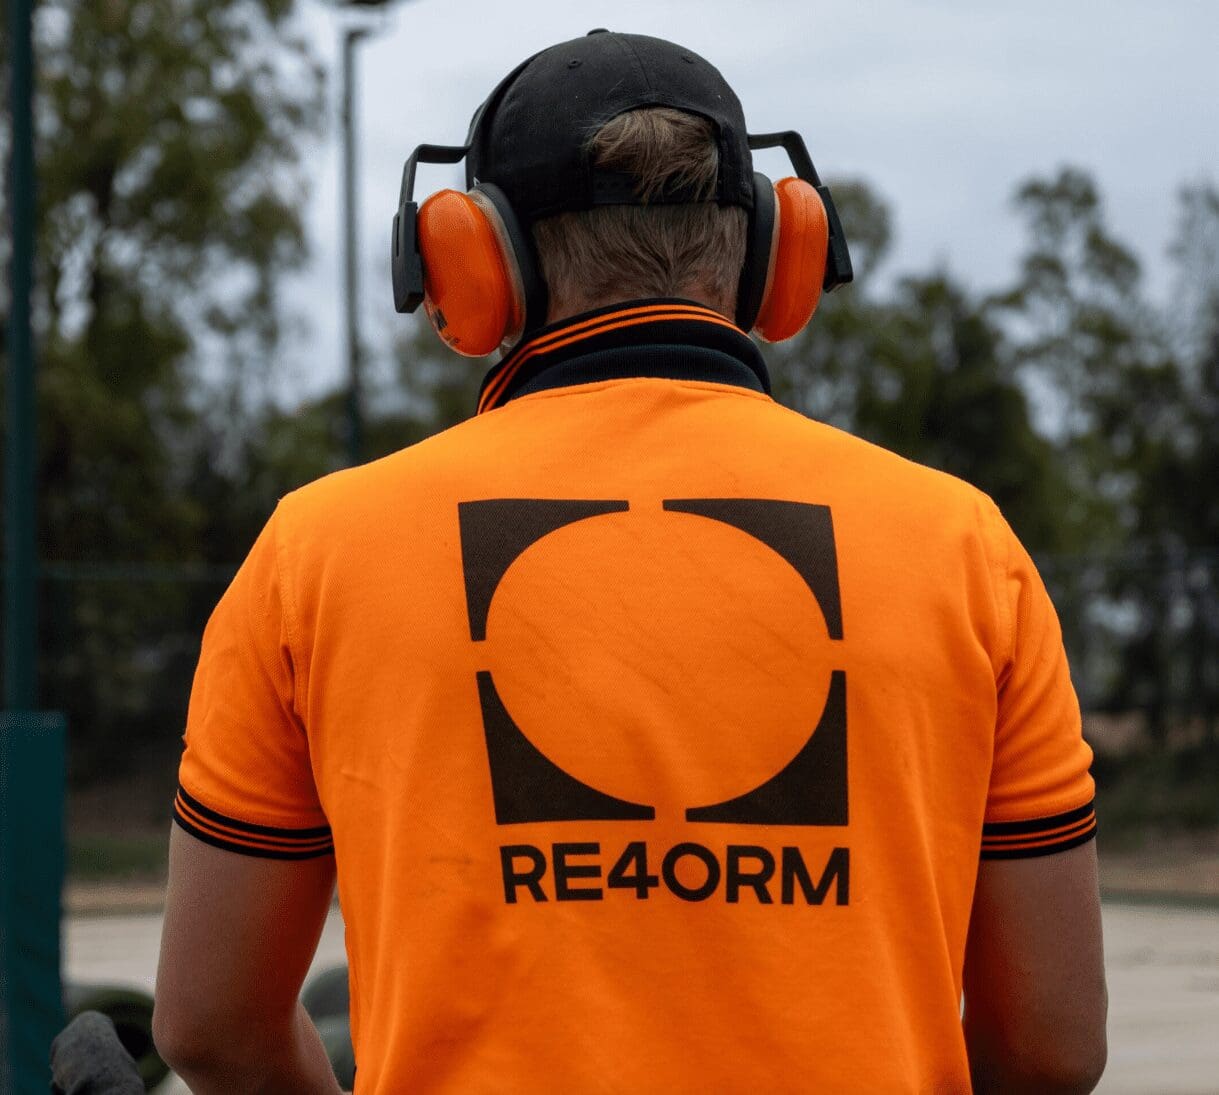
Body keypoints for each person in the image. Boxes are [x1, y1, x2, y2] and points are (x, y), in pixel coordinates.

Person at [153, 29, 1107, 1094]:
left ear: (473, 262)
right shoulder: (964, 546)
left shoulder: (316, 551)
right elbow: (1048, 1047)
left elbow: (212, 1024)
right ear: (775, 255)